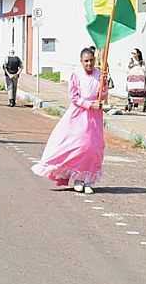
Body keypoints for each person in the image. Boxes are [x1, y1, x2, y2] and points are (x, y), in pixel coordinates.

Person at [32, 47, 107, 194]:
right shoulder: (76, 75)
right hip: (79, 115)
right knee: (79, 145)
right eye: (86, 61)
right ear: (81, 61)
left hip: (95, 117)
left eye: (91, 60)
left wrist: (103, 88)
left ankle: (88, 180)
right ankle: (78, 178)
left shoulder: (100, 74)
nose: (89, 64)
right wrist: (89, 104)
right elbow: (74, 97)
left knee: (93, 148)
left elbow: (103, 95)